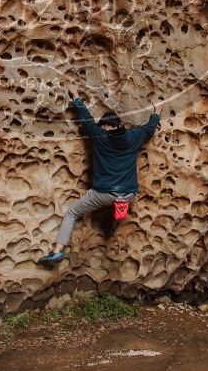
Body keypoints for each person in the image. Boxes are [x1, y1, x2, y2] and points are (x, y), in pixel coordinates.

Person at [37, 93, 161, 265]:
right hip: (128, 192)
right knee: (118, 206)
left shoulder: (99, 137)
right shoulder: (134, 136)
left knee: (72, 212)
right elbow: (150, 127)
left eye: (101, 126)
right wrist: (157, 112)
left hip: (103, 193)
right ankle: (116, 218)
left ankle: (57, 252)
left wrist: (77, 99)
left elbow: (86, 119)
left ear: (105, 125)